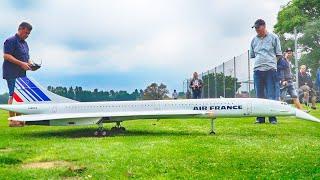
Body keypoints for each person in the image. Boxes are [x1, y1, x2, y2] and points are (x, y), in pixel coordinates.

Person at [250, 19, 282, 124]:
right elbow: (253, 55)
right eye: (255, 28)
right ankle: (260, 118)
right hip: (258, 70)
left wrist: (272, 64)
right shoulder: (254, 40)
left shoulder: (274, 37)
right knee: (259, 95)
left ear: (264, 26)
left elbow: (278, 54)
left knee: (271, 95)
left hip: (270, 70)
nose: (256, 30)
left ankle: (272, 118)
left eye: (258, 28)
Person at [3, 22, 33, 127]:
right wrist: (21, 63)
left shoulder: (25, 44)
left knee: (21, 97)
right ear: (20, 29)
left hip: (22, 73)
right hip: (11, 72)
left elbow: (27, 57)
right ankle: (12, 121)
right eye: (26, 33)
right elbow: (6, 56)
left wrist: (30, 64)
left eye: (28, 34)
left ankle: (19, 120)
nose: (27, 35)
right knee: (13, 95)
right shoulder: (10, 41)